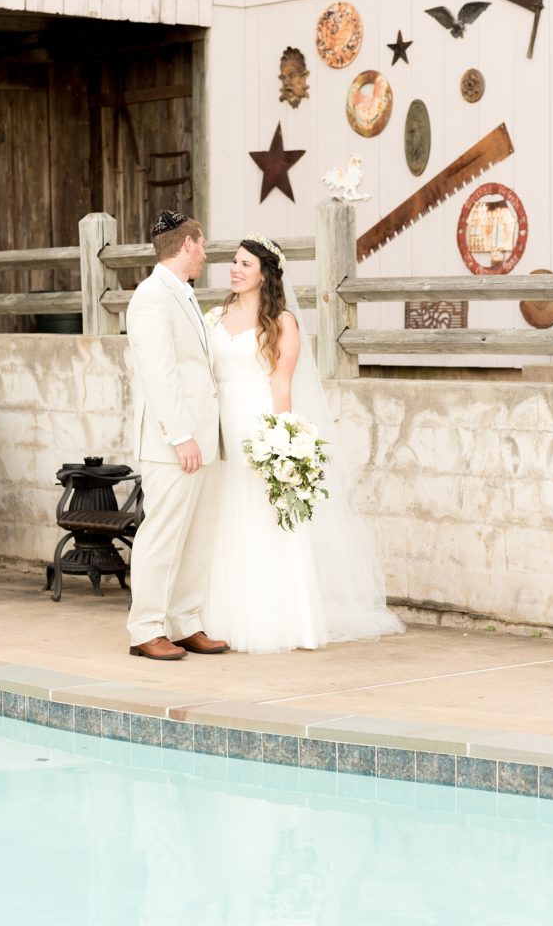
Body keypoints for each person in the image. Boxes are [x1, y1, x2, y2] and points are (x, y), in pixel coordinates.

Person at [202, 233, 404, 653]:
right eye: (234, 262)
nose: (235, 270)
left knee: (263, 519)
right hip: (218, 425)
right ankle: (218, 617)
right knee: (223, 518)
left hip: (256, 426)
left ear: (264, 275)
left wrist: (281, 444)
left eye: (245, 265)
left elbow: (280, 384)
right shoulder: (215, 317)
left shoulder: (283, 323)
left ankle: (277, 620)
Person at [125, 210, 229, 661]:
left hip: (204, 440)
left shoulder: (182, 294)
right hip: (174, 444)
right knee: (161, 536)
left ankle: (185, 623)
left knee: (195, 537)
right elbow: (159, 373)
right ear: (187, 244)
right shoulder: (150, 296)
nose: (205, 254)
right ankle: (145, 629)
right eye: (202, 245)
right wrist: (182, 435)